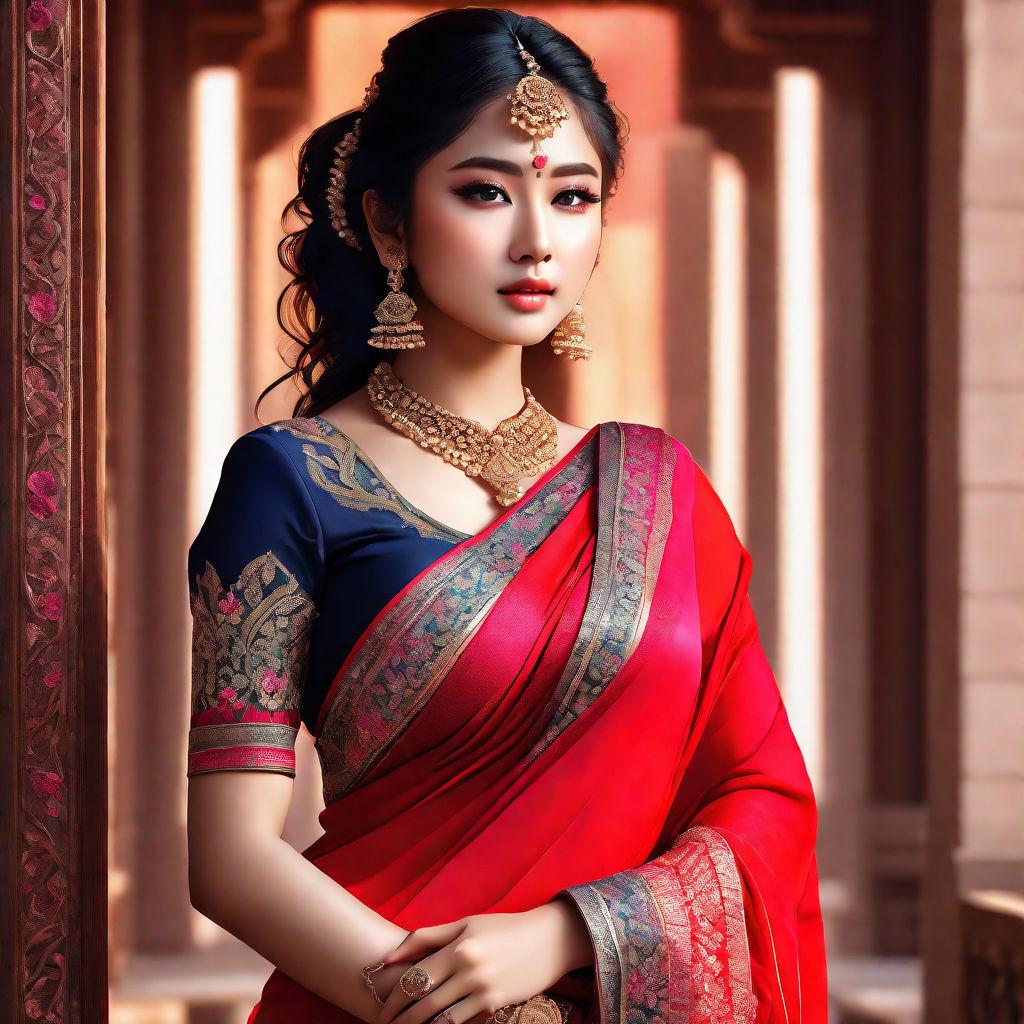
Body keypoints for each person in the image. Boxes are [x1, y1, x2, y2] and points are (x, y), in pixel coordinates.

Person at [185, 8, 828, 1024]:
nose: (537, 239)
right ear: (389, 222)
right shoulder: (292, 479)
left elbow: (760, 797)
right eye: (485, 191)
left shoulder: (657, 490)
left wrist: (569, 932)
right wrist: (460, 1010)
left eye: (573, 197)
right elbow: (229, 858)